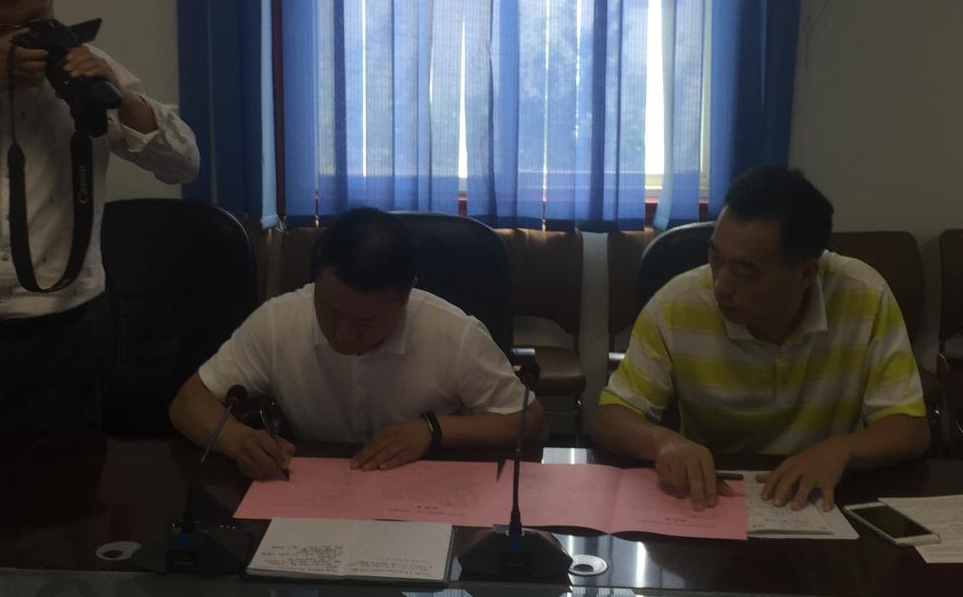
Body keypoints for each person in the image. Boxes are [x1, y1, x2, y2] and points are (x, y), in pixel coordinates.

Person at [0, 0, 199, 433]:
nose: (21, 41)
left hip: (70, 327)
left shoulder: (82, 64)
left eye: (35, 20)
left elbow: (183, 164)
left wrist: (123, 99)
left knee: (70, 475)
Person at [591, 166, 929, 512]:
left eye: (744, 271)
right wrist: (663, 442)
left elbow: (910, 428)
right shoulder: (676, 305)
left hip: (822, 499)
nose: (721, 285)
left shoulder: (864, 295)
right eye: (715, 258)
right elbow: (610, 417)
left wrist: (842, 450)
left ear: (805, 274)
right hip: (713, 498)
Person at [170, 207, 547, 478]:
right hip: (315, 493)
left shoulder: (454, 333)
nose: (343, 334)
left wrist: (434, 430)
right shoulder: (278, 321)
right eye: (330, 311)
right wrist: (239, 441)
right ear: (316, 281)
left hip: (427, 495)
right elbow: (188, 403)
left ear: (406, 297)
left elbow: (530, 422)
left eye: (366, 322)